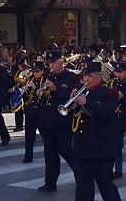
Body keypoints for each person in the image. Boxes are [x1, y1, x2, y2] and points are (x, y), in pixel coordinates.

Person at [69, 60, 122, 201]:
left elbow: (108, 114)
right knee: (82, 191)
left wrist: (86, 103)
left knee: (107, 188)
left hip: (101, 151)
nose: (85, 79)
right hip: (81, 150)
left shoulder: (108, 93)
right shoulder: (81, 92)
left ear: (98, 77)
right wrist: (71, 102)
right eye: (84, 75)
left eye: (90, 76)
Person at [36, 50, 80, 192]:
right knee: (49, 153)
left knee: (67, 151)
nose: (51, 65)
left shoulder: (71, 77)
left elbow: (71, 99)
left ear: (61, 63)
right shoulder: (48, 75)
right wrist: (41, 92)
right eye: (49, 63)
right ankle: (50, 183)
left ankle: (82, 175)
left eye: (54, 62)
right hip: (47, 121)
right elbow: (45, 99)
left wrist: (55, 89)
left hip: (62, 122)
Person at [22, 62, 44, 163]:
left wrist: (35, 89)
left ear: (42, 71)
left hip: (41, 112)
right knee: (29, 136)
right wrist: (25, 89)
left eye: (37, 71)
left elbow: (43, 98)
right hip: (30, 111)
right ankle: (28, 156)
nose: (35, 73)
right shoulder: (30, 80)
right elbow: (25, 98)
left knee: (45, 135)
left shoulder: (46, 81)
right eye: (34, 71)